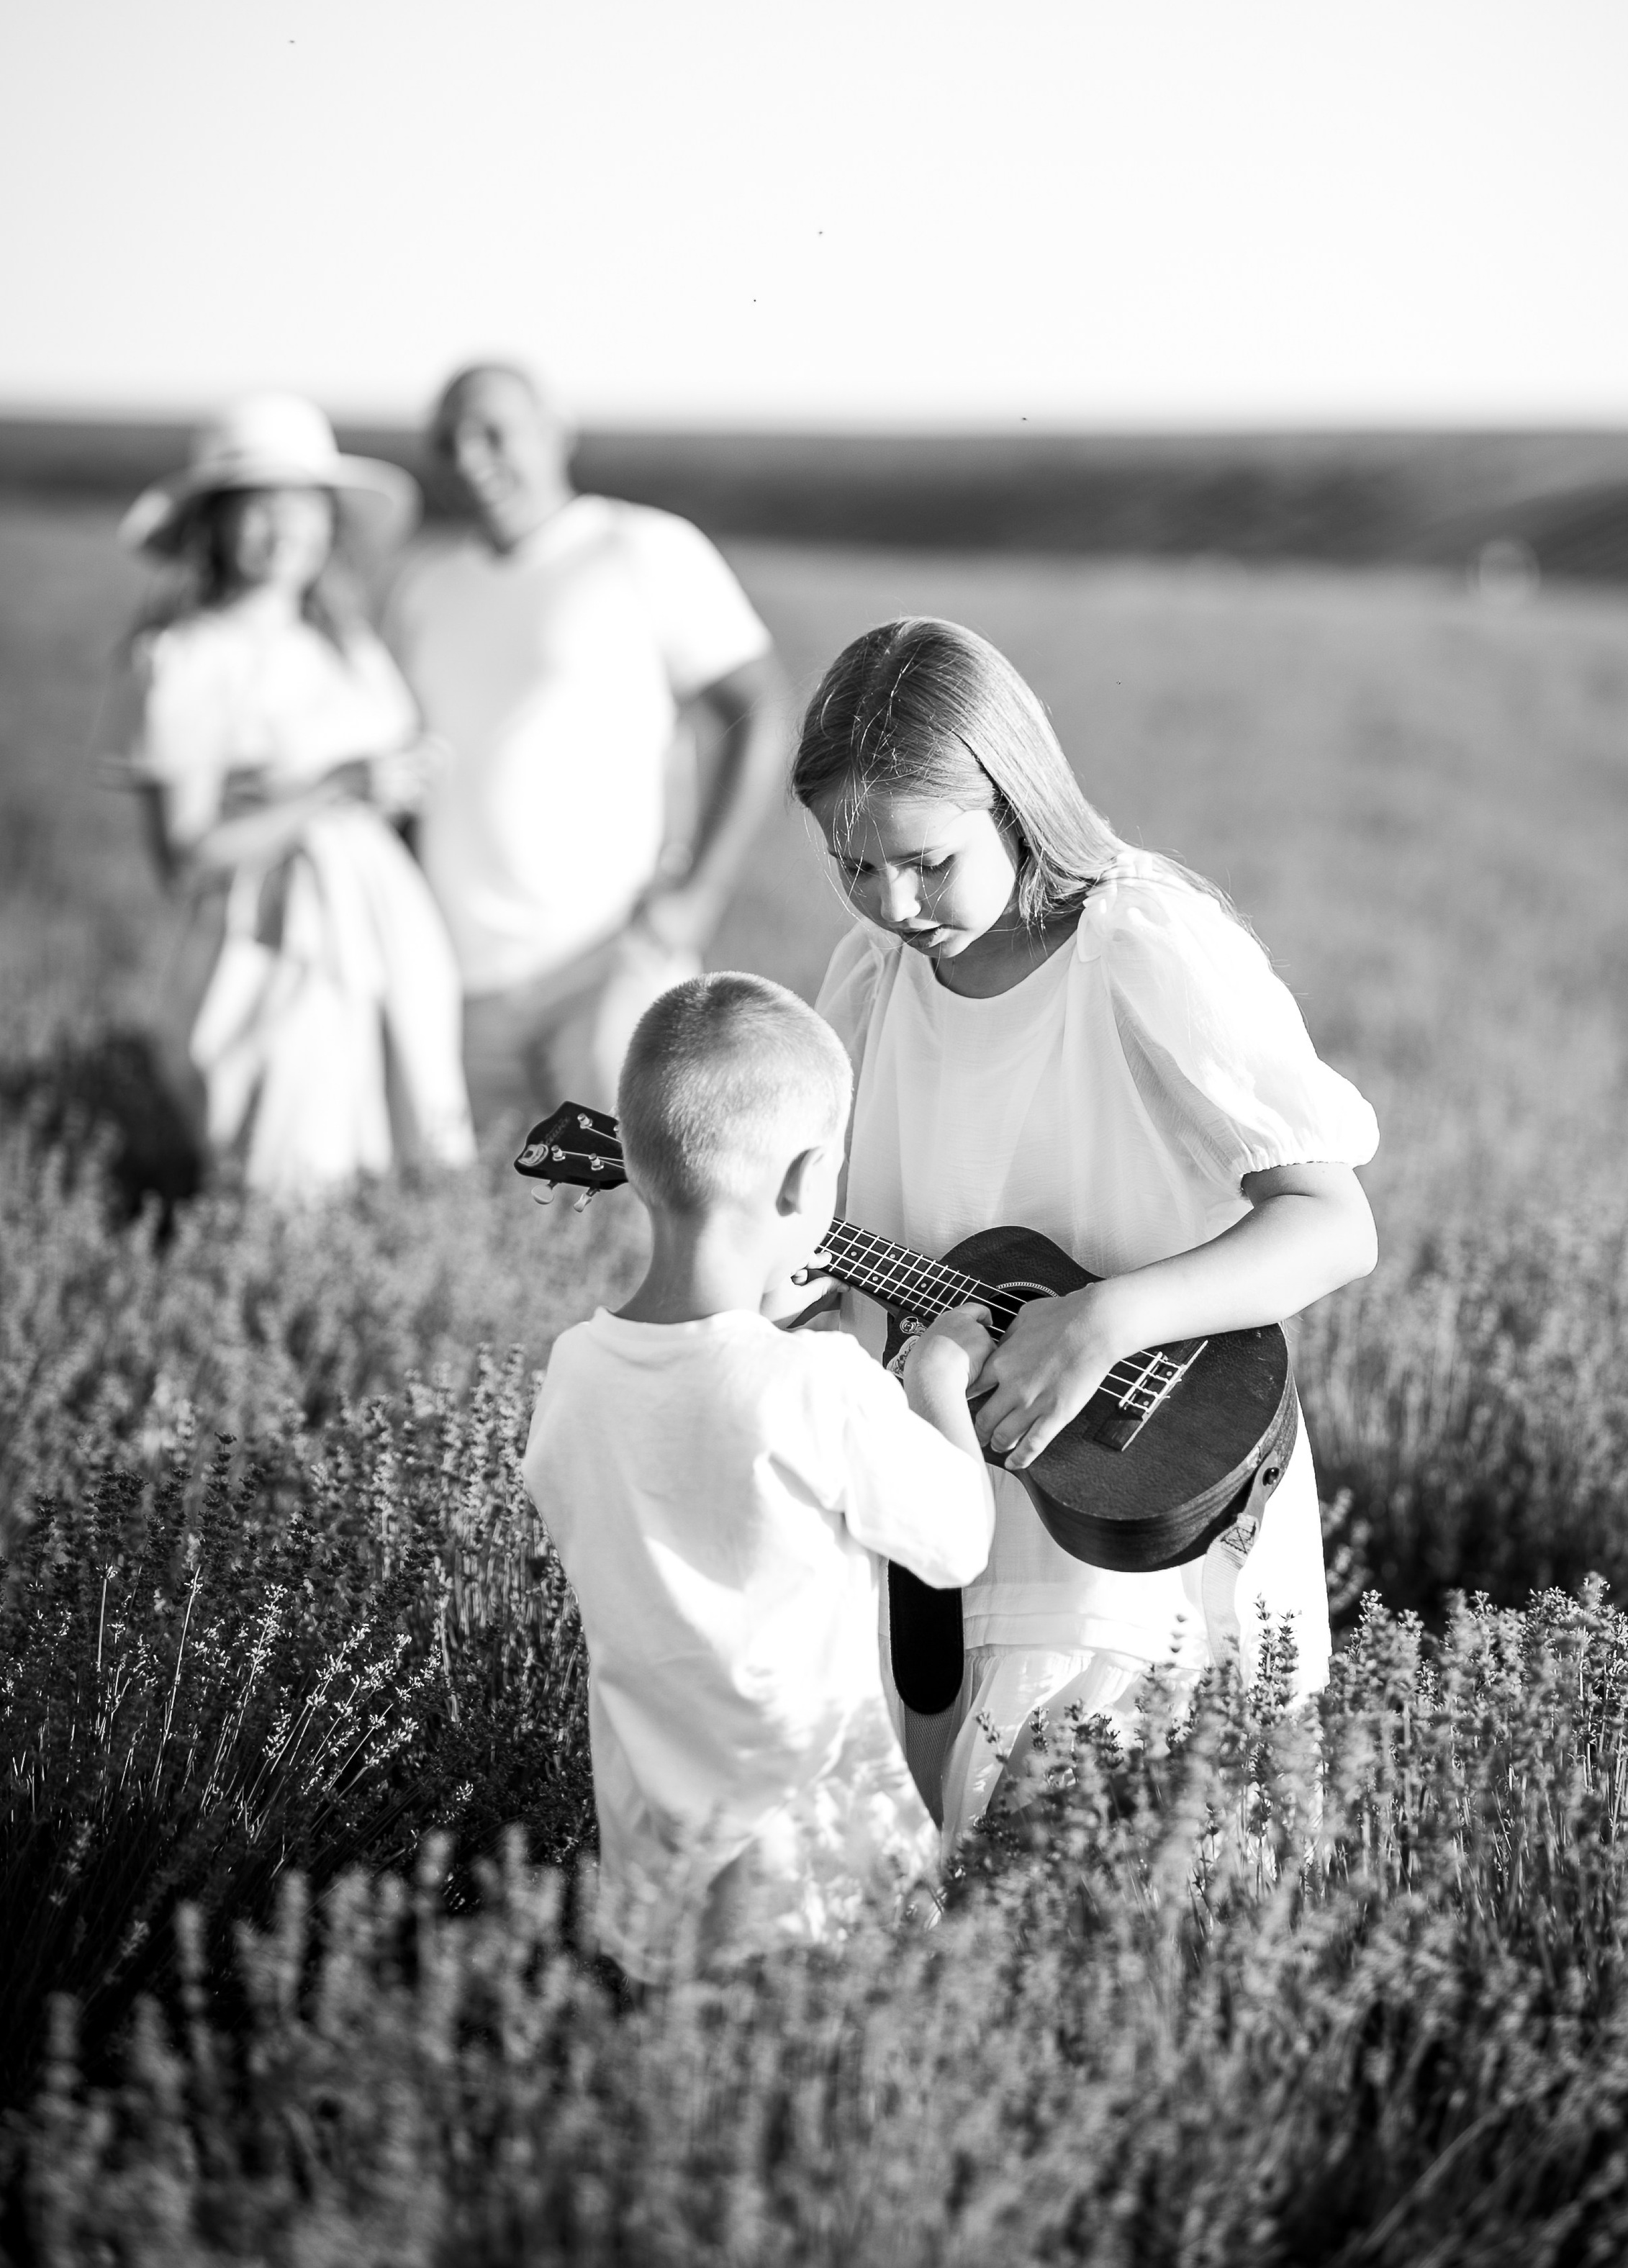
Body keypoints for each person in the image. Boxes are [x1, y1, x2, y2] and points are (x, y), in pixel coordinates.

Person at [791, 616, 1380, 1849]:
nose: (893, 904)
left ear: (1014, 802)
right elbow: (844, 1251)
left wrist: (1103, 1321)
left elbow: (1331, 1228)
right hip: (944, 1538)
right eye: (855, 867)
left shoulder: (1140, 949)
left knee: (1108, 1901)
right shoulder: (868, 980)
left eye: (925, 861)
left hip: (1138, 1513)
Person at [521, 972, 995, 1979]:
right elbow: (956, 1542)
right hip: (826, 1875)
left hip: (657, 1878)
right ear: (807, 1181)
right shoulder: (819, 1382)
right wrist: (935, 1378)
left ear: (638, 1163)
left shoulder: (575, 1373)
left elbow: (681, 1448)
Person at [387, 362, 785, 1134]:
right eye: (450, 441)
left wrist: (696, 896)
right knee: (509, 1222)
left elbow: (757, 709)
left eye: (493, 432)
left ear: (554, 430)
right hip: (459, 984)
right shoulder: (424, 589)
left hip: (608, 966)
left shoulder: (640, 549)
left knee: (635, 1208)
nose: (470, 458)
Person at [113, 394, 476, 1198]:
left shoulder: (344, 639)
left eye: (303, 508)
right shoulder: (185, 658)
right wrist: (337, 786)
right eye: (257, 510)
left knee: (403, 1140)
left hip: (385, 915)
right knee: (288, 1155)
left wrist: (398, 784)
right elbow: (187, 856)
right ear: (214, 525)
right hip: (273, 935)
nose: (284, 530)